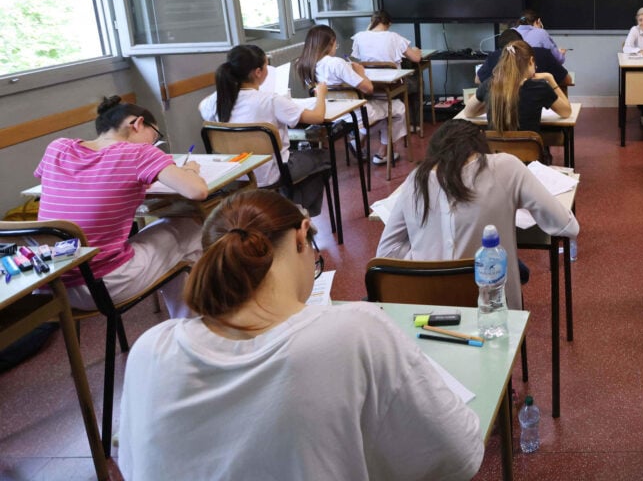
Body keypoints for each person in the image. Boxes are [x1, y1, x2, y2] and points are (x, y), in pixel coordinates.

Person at [119, 190, 483, 480]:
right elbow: (461, 454)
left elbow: (132, 464)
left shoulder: (150, 349)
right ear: (301, 235)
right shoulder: (357, 330)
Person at [35, 97, 208, 318]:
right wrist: (190, 171)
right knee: (190, 227)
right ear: (137, 124)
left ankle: (187, 326)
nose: (152, 145)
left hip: (50, 284)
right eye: (154, 136)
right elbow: (197, 192)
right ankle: (191, 327)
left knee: (173, 251)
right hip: (104, 284)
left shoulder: (57, 148)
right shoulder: (137, 153)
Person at [377, 120, 579, 309]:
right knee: (514, 265)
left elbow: (386, 253)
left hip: (426, 311)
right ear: (481, 145)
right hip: (492, 310)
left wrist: (429, 259)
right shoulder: (506, 167)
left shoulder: (415, 179)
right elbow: (567, 225)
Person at [198, 44, 330, 217]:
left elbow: (202, 107)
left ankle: (288, 207)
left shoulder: (213, 102)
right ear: (258, 72)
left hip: (233, 175)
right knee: (324, 157)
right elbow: (317, 118)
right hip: (271, 173)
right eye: (267, 65)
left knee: (300, 161)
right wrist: (320, 94)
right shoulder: (271, 100)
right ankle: (295, 212)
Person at [297, 24, 405, 166]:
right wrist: (360, 72)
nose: (336, 47)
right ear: (329, 43)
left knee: (383, 114)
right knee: (398, 107)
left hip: (329, 113)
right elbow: (368, 89)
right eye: (336, 43)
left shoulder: (304, 64)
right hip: (353, 113)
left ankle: (359, 142)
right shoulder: (336, 63)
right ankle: (381, 153)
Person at [477, 40, 571, 156]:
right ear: (531, 61)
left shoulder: (489, 85)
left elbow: (469, 112)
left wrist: (489, 102)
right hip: (530, 164)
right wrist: (550, 78)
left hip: (498, 162)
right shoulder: (540, 87)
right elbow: (566, 111)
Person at [351, 11, 422, 65]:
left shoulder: (359, 36)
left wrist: (370, 28)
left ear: (371, 23)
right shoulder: (394, 37)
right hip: (392, 81)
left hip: (369, 81)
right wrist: (417, 50)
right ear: (389, 24)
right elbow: (416, 59)